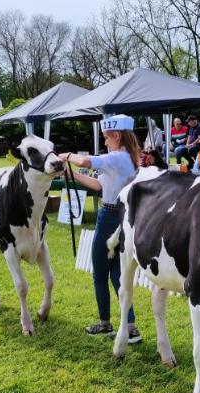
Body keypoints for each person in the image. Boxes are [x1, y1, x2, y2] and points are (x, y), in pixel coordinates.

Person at [59, 114, 142, 344]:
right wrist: (72, 175)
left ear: (116, 135)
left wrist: (65, 156)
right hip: (123, 215)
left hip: (109, 216)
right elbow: (98, 184)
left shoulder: (116, 157)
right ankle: (131, 326)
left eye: (106, 137)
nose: (104, 142)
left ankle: (105, 323)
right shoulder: (127, 159)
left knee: (99, 273)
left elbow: (86, 162)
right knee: (117, 273)